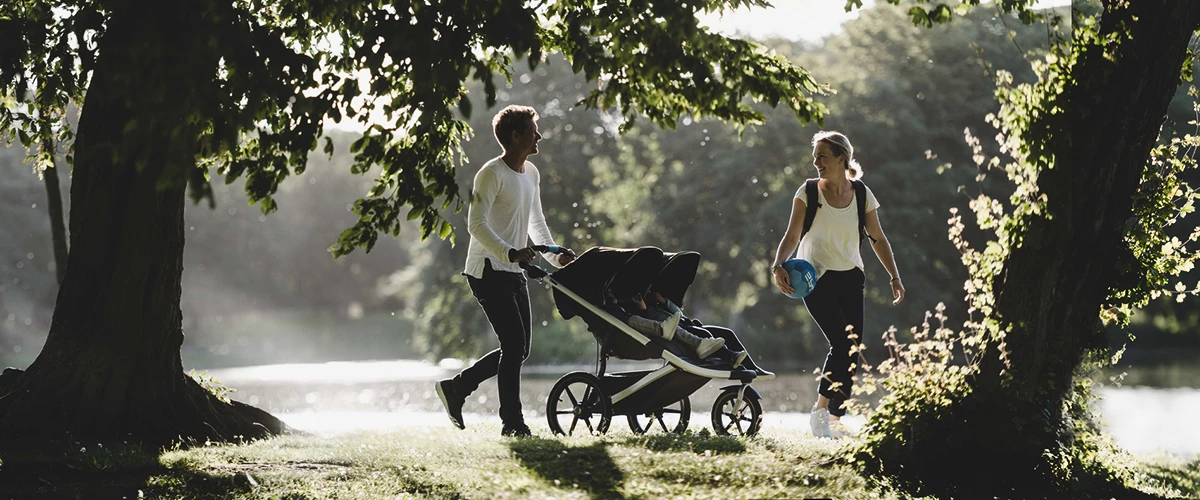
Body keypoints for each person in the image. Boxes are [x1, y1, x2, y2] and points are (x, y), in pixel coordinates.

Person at [435, 105, 576, 438]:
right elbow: (476, 224)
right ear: (515, 136)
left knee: (520, 349)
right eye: (533, 130)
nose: (538, 136)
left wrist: (556, 259)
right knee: (513, 346)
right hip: (486, 269)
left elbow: (536, 223)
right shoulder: (490, 174)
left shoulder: (532, 174)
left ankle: (458, 388)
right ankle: (512, 423)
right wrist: (509, 252)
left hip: (514, 269)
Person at [770, 131, 905, 439]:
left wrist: (894, 277)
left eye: (823, 156)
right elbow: (792, 236)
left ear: (841, 158)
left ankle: (835, 417)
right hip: (814, 278)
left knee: (852, 348)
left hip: (851, 277)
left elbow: (878, 239)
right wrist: (778, 264)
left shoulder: (861, 194)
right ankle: (820, 411)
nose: (816, 161)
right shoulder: (808, 192)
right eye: (815, 156)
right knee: (841, 344)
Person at [602, 291, 726, 359]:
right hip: (660, 331)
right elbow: (636, 323)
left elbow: (679, 314)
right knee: (700, 332)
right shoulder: (617, 311)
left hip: (681, 324)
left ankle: (734, 357)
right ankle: (725, 354)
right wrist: (643, 308)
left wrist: (661, 301)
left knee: (722, 333)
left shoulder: (656, 305)